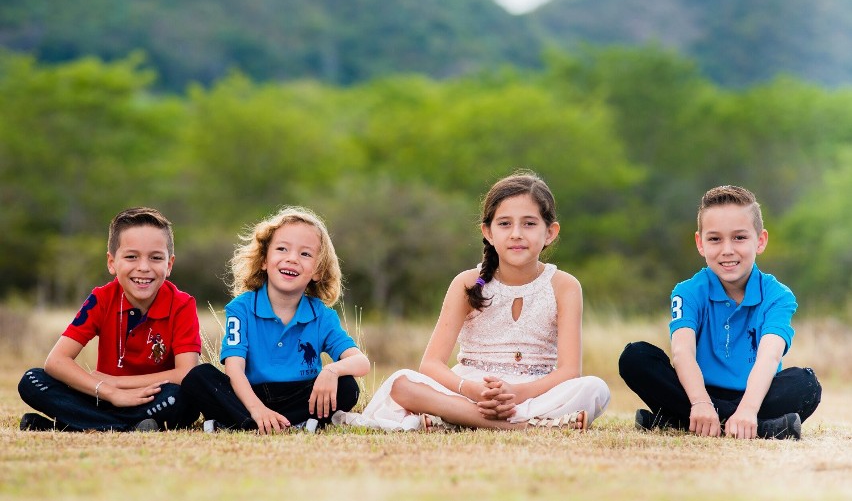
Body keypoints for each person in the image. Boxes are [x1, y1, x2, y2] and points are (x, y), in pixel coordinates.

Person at [334, 170, 610, 431]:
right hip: (471, 390)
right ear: (488, 232)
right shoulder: (467, 282)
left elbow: (570, 371)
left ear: (550, 232)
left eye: (529, 223)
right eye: (504, 224)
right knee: (402, 384)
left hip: (535, 391)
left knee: (595, 389)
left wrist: (516, 393)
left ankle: (458, 419)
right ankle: (524, 426)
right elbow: (430, 364)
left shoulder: (564, 286)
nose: (516, 233)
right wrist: (471, 389)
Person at [619, 185, 822, 440]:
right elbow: (682, 353)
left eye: (739, 238)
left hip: (755, 395)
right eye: (715, 239)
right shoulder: (687, 291)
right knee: (635, 357)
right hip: (695, 393)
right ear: (700, 243)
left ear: (760, 241)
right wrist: (701, 404)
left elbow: (769, 358)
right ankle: (761, 427)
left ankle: (681, 421)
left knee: (807, 385)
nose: (727, 250)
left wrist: (747, 408)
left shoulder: (779, 296)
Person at [181, 206, 370, 433]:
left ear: (318, 271)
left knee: (347, 386)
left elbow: (361, 362)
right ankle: (261, 421)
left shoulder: (322, 315)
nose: (292, 259)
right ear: (264, 259)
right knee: (198, 377)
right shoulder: (241, 309)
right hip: (249, 395)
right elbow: (234, 370)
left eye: (305, 254)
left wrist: (331, 371)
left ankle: (247, 423)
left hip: (300, 396)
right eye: (282, 249)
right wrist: (258, 409)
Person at [18, 207, 202, 432]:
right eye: (131, 257)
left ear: (169, 264)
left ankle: (75, 425)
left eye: (155, 258)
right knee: (32, 381)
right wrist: (110, 392)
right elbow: (56, 361)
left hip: (152, 400)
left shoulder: (182, 304)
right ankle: (123, 427)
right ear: (112, 262)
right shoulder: (101, 299)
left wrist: (118, 383)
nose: (143, 267)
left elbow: (185, 373)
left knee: (180, 399)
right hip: (103, 398)